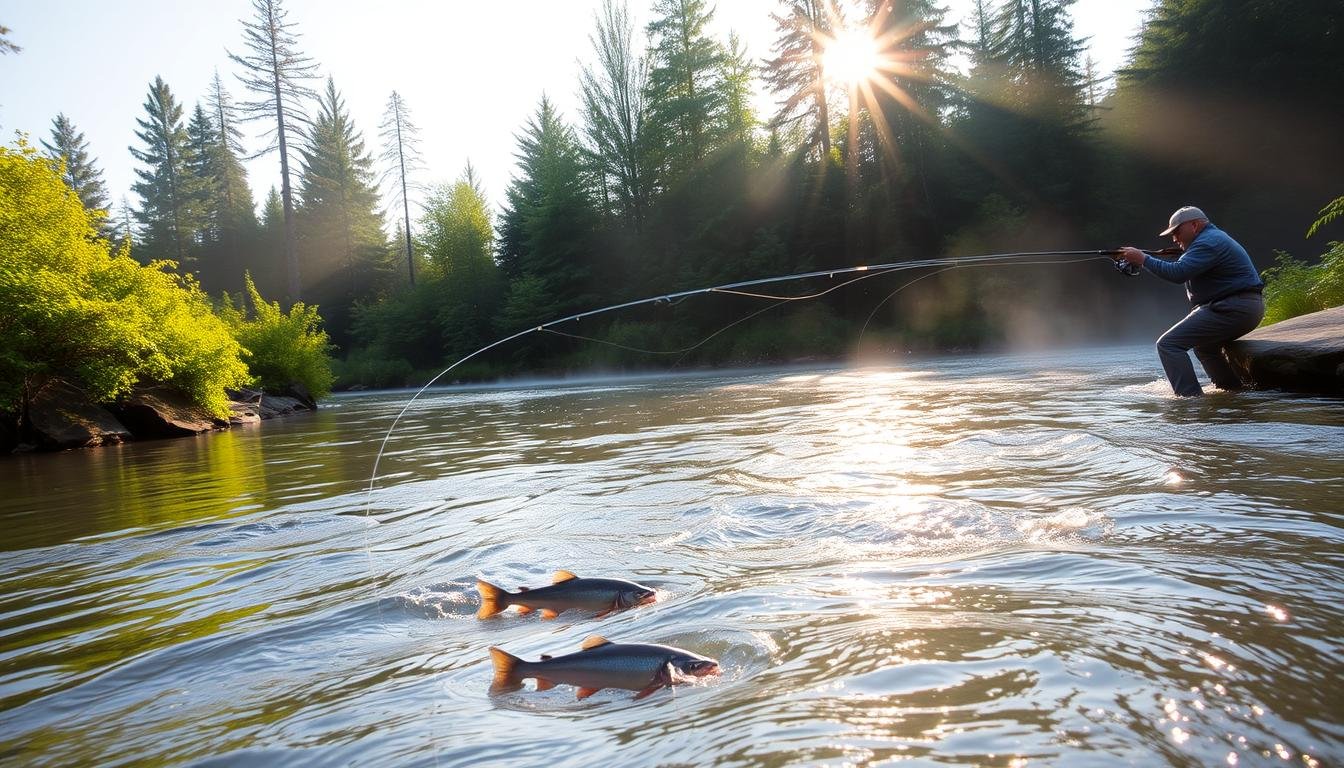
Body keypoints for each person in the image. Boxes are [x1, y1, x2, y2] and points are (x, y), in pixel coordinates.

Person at [1118, 205, 1265, 397]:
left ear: (1194, 225)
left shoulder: (1208, 243)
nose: (1174, 238)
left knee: (1168, 345)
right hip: (1241, 307)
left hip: (1233, 309)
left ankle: (1189, 401)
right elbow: (1188, 265)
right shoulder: (1211, 239)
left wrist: (1142, 259)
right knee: (1205, 348)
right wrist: (1179, 254)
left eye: (1177, 231)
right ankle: (1233, 392)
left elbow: (1178, 273)